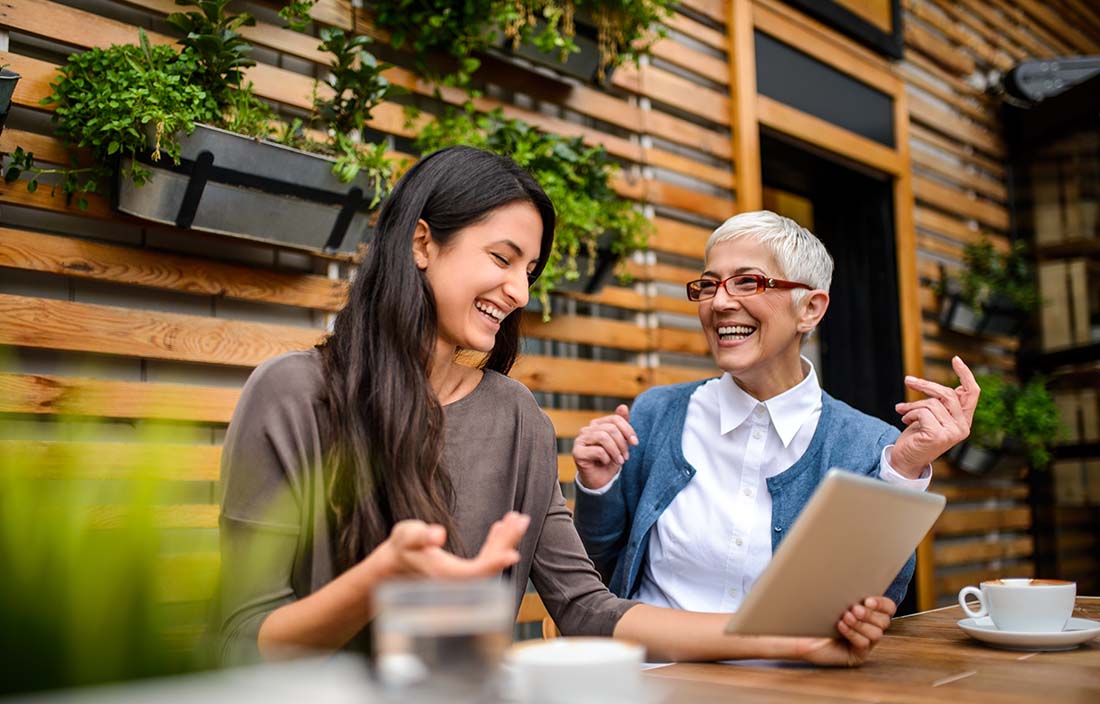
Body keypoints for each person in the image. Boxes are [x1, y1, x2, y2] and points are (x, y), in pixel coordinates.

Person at [215, 149, 896, 668]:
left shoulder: (516, 417)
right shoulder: (295, 394)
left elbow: (588, 608)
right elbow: (246, 642)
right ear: (422, 243)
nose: (518, 291)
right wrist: (380, 577)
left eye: (530, 271)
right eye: (502, 258)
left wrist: (797, 640)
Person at [572, 210, 979, 612]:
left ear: (811, 309)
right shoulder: (656, 414)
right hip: (657, 670)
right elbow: (598, 574)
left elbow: (871, 604)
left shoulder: (871, 446)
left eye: (747, 282)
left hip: (787, 676)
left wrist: (902, 472)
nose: (720, 302)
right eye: (709, 285)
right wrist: (598, 487)